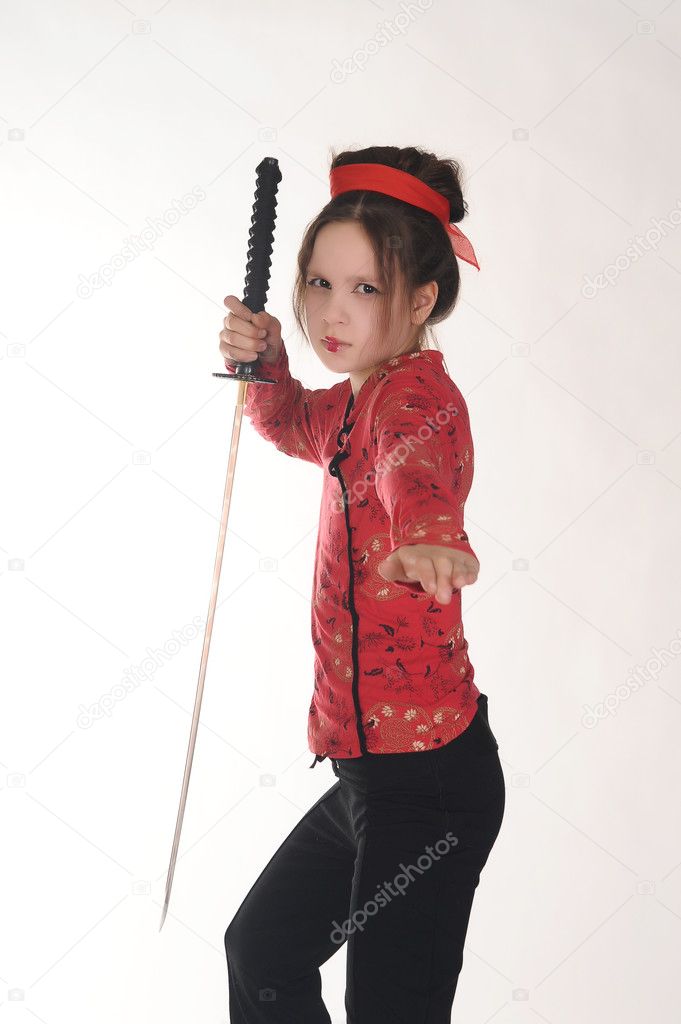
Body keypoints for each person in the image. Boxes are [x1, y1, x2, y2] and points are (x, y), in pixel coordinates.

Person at [219, 145, 505, 1023]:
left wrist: (427, 538)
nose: (330, 314)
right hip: (367, 779)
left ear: (420, 300)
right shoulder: (351, 398)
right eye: (317, 284)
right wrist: (268, 360)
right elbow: (295, 423)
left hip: (427, 787)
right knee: (263, 950)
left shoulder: (413, 402)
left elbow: (412, 470)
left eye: (365, 290)